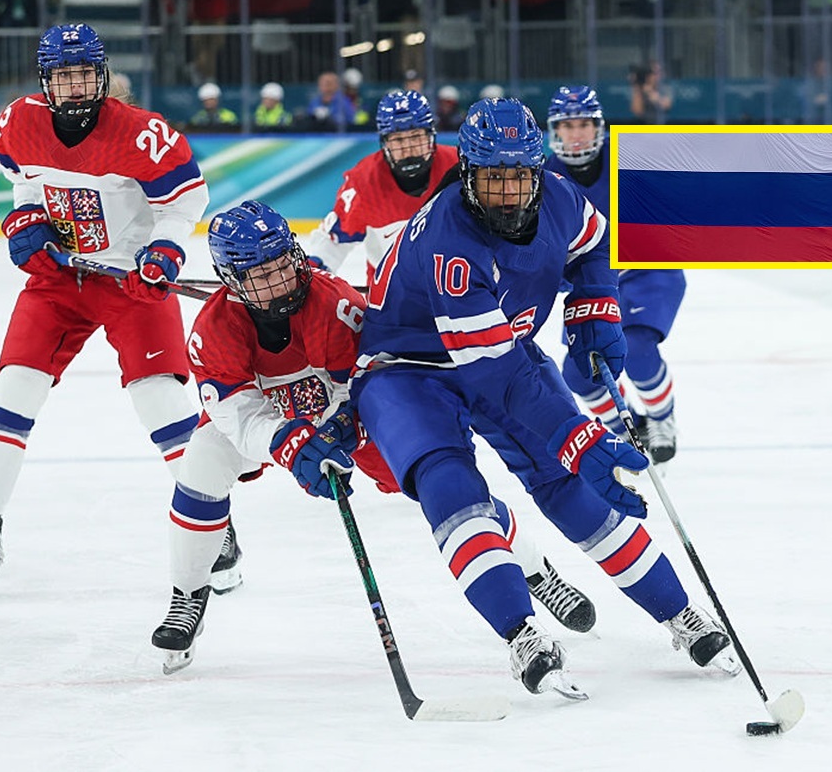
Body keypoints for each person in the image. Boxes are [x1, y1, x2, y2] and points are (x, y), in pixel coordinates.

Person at [352, 97, 738, 699]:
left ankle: (677, 613)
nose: (508, 191)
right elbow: (500, 376)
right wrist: (577, 436)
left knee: (572, 486)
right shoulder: (451, 242)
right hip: (409, 369)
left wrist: (595, 307)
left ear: (538, 169)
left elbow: (591, 247)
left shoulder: (560, 196)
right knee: (453, 487)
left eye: (519, 175)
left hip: (498, 346)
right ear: (468, 176)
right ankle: (520, 633)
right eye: (493, 178)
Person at [150, 201, 595, 673]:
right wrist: (286, 440)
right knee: (202, 461)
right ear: (232, 279)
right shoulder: (212, 331)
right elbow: (236, 413)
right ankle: (188, 592)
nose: (280, 280)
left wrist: (343, 426)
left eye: (283, 263)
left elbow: (367, 384)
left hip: (346, 420)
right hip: (274, 424)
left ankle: (533, 568)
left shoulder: (335, 304)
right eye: (262, 275)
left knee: (443, 489)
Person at [0, 23, 209, 585]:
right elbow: (25, 185)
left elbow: (186, 201)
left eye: (84, 75)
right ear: (45, 81)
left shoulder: (143, 134)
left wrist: (163, 250)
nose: (74, 87)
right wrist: (25, 221)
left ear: (101, 76)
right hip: (60, 279)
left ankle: (211, 519)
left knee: (160, 403)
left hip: (130, 281)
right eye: (63, 76)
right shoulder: (16, 122)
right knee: (13, 387)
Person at [545, 85, 684, 462]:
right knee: (577, 375)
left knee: (636, 347)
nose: (576, 133)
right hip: (591, 284)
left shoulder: (630, 161)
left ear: (599, 127)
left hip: (646, 272)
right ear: (555, 131)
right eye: (567, 125)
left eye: (584, 124)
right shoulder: (543, 181)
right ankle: (628, 428)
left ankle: (661, 419)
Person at [303, 89, 457, 283]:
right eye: (398, 139)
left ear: (431, 136)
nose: (409, 149)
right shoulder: (363, 182)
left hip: (453, 286)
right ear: (384, 143)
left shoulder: (459, 167)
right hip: (390, 294)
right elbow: (334, 241)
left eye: (416, 136)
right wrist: (312, 276)